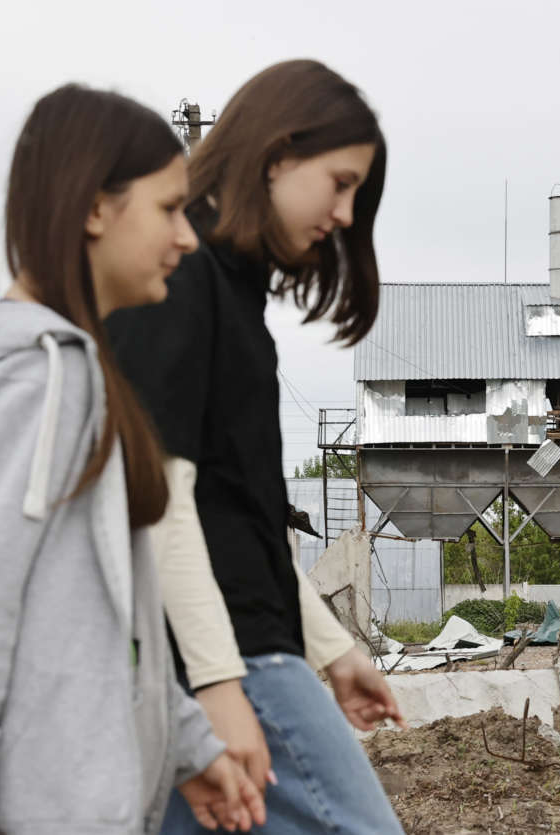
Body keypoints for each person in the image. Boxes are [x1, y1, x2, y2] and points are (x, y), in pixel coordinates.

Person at [0, 84, 267, 835]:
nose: (188, 239)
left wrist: (190, 745)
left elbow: (99, 632)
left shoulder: (80, 375)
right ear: (93, 207)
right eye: (167, 209)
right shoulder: (30, 385)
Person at [107, 60, 405, 834]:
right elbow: (154, 499)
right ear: (277, 155)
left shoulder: (230, 290)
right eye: (338, 183)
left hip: (228, 655)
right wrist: (216, 685)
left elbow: (242, 520)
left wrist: (335, 650)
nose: (344, 214)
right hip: (231, 660)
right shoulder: (182, 274)